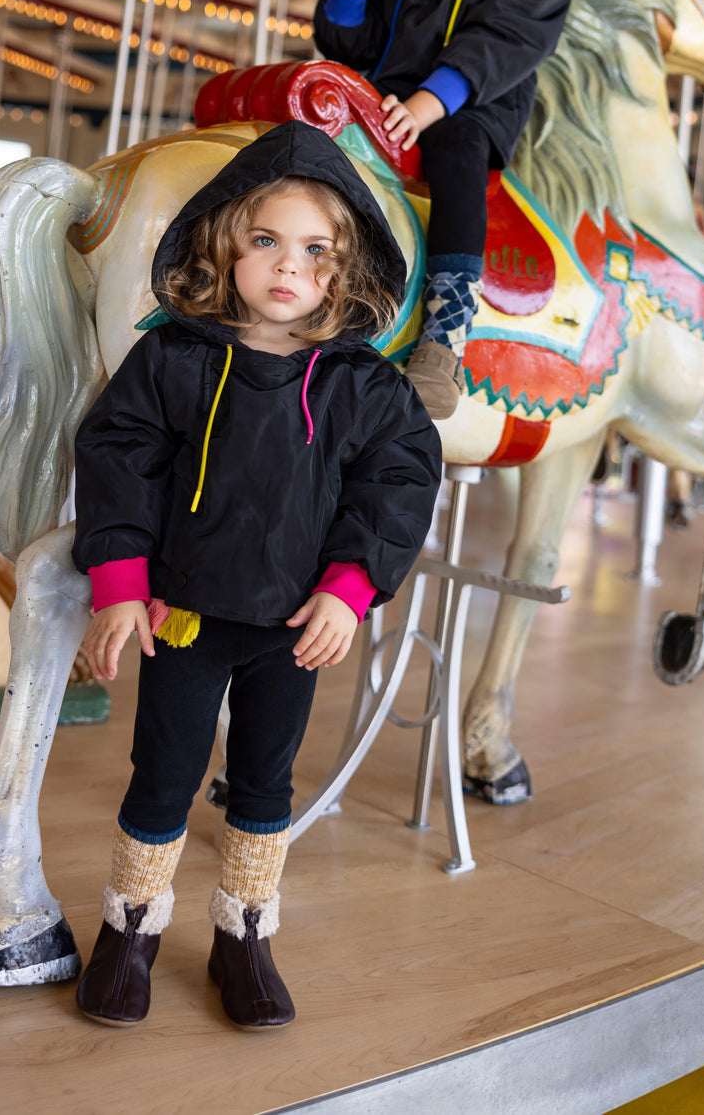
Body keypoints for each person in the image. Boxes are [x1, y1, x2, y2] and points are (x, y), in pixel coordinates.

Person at [70, 121, 442, 1031]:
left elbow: (396, 478)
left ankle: (243, 930)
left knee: (266, 781)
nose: (289, 267)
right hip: (186, 615)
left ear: (345, 267)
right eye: (266, 240)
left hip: (294, 625)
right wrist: (119, 582)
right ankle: (131, 926)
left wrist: (352, 586)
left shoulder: (363, 384)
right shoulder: (174, 359)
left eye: (316, 250)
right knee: (162, 773)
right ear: (225, 241)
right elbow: (119, 454)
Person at [313, 0, 570, 419]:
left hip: (472, 106)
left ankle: (443, 335)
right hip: (378, 97)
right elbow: (349, 45)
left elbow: (501, 42)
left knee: (458, 154)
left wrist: (431, 102)